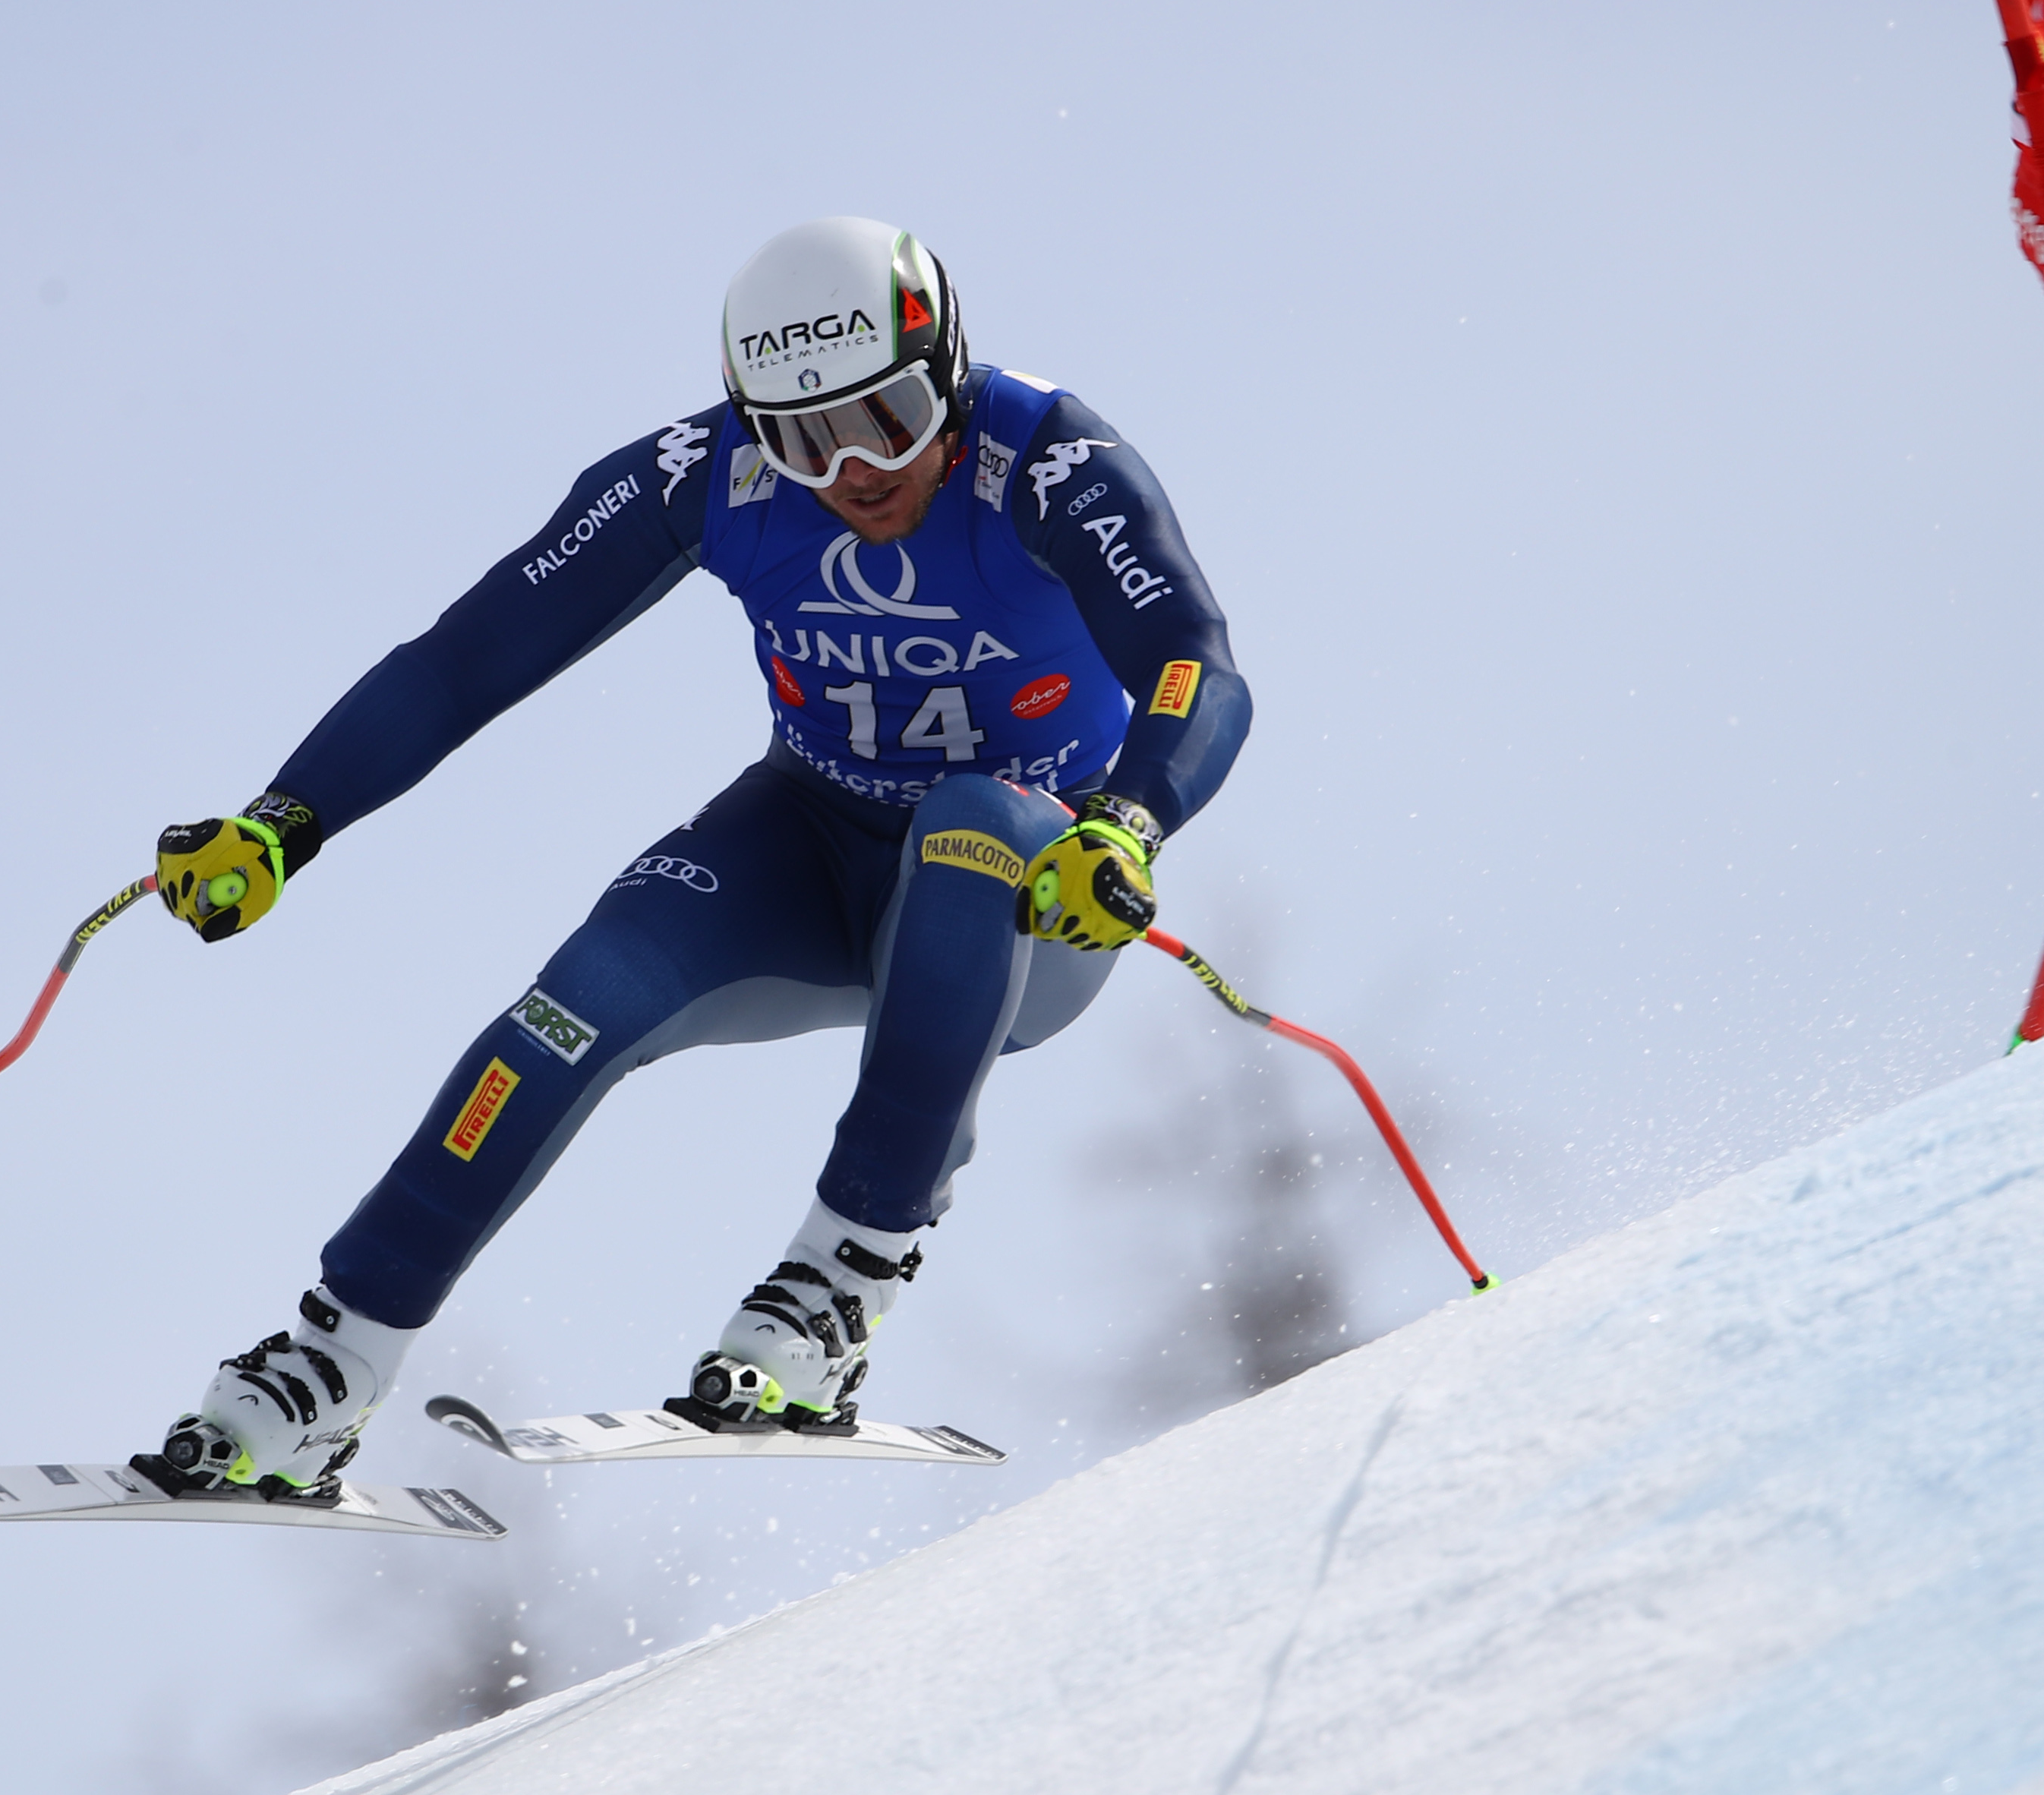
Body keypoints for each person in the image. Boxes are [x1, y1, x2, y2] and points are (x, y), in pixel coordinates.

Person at [134, 217, 1251, 1500]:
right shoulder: (704, 474)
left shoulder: (1048, 460)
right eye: (801, 438)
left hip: (1023, 890)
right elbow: (468, 654)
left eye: (885, 416)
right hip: (809, 844)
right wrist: (289, 816)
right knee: (568, 1007)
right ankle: (334, 1359)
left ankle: (847, 1273)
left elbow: (1196, 662)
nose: (853, 470)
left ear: (945, 368)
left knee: (969, 820)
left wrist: (1131, 817)